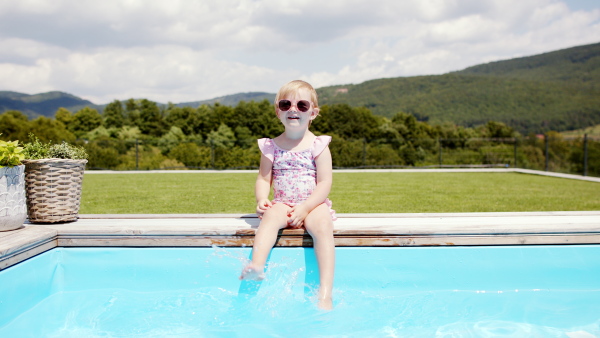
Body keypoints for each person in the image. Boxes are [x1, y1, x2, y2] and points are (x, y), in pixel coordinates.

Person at [240, 80, 336, 310]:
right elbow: (264, 178)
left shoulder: (318, 144)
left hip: (313, 203)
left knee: (323, 227)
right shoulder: (270, 146)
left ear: (312, 113)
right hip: (282, 201)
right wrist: (262, 198)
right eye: (286, 104)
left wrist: (305, 207)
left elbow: (324, 182)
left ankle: (325, 293)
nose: (293, 109)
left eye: (302, 105)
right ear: (278, 111)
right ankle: (256, 267)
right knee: (270, 219)